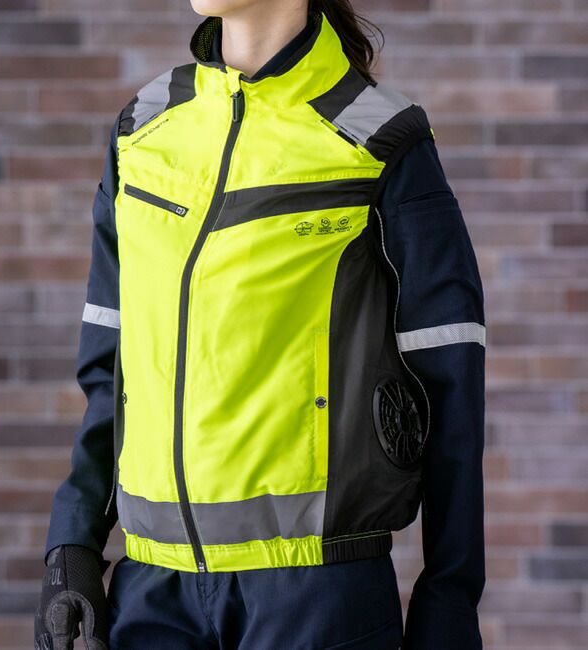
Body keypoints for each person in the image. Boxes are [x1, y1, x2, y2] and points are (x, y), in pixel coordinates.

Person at [34, 0, 486, 648]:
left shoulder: (379, 136)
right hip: (151, 596)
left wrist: (449, 599)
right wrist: (72, 541)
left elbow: (451, 382)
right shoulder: (144, 128)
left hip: (314, 597)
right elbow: (111, 366)